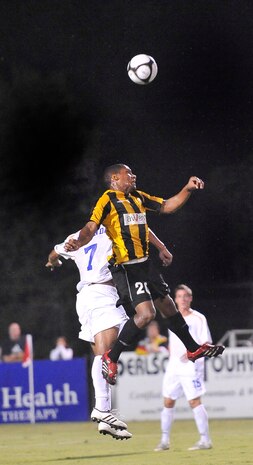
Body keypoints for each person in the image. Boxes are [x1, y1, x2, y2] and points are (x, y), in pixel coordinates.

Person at [64, 163, 225, 385]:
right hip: (126, 267)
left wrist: (187, 188)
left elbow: (168, 206)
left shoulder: (138, 197)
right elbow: (91, 228)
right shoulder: (107, 200)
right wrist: (78, 242)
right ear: (114, 179)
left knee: (168, 306)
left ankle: (193, 349)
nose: (133, 176)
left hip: (145, 264)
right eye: (128, 174)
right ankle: (111, 358)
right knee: (147, 315)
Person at [155, 284, 213, 452]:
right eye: (179, 296)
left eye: (186, 296)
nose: (183, 299)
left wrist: (190, 353)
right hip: (174, 365)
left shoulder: (198, 318)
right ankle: (164, 440)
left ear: (190, 298)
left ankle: (205, 440)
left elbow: (206, 342)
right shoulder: (173, 317)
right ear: (175, 299)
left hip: (192, 365)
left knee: (194, 401)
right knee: (168, 400)